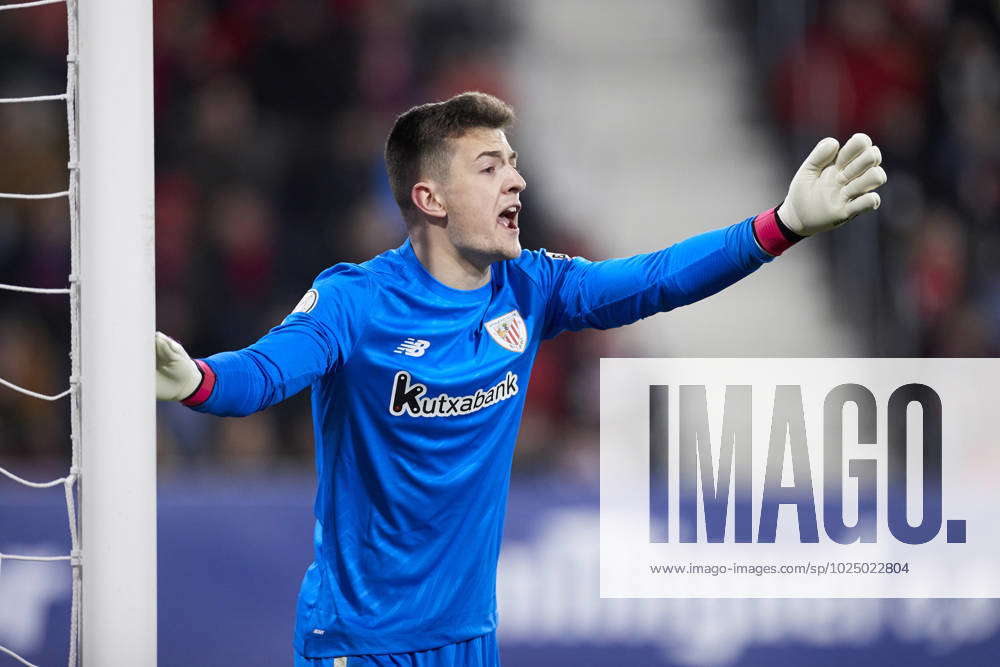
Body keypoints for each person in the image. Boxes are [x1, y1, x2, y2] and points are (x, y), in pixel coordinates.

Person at [154, 92, 887, 666]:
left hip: (470, 638)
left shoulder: (531, 287)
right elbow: (270, 370)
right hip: (362, 641)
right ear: (430, 199)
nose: (518, 179)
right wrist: (198, 380)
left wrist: (781, 224)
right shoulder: (357, 301)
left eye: (513, 161)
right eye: (490, 166)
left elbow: (655, 279)